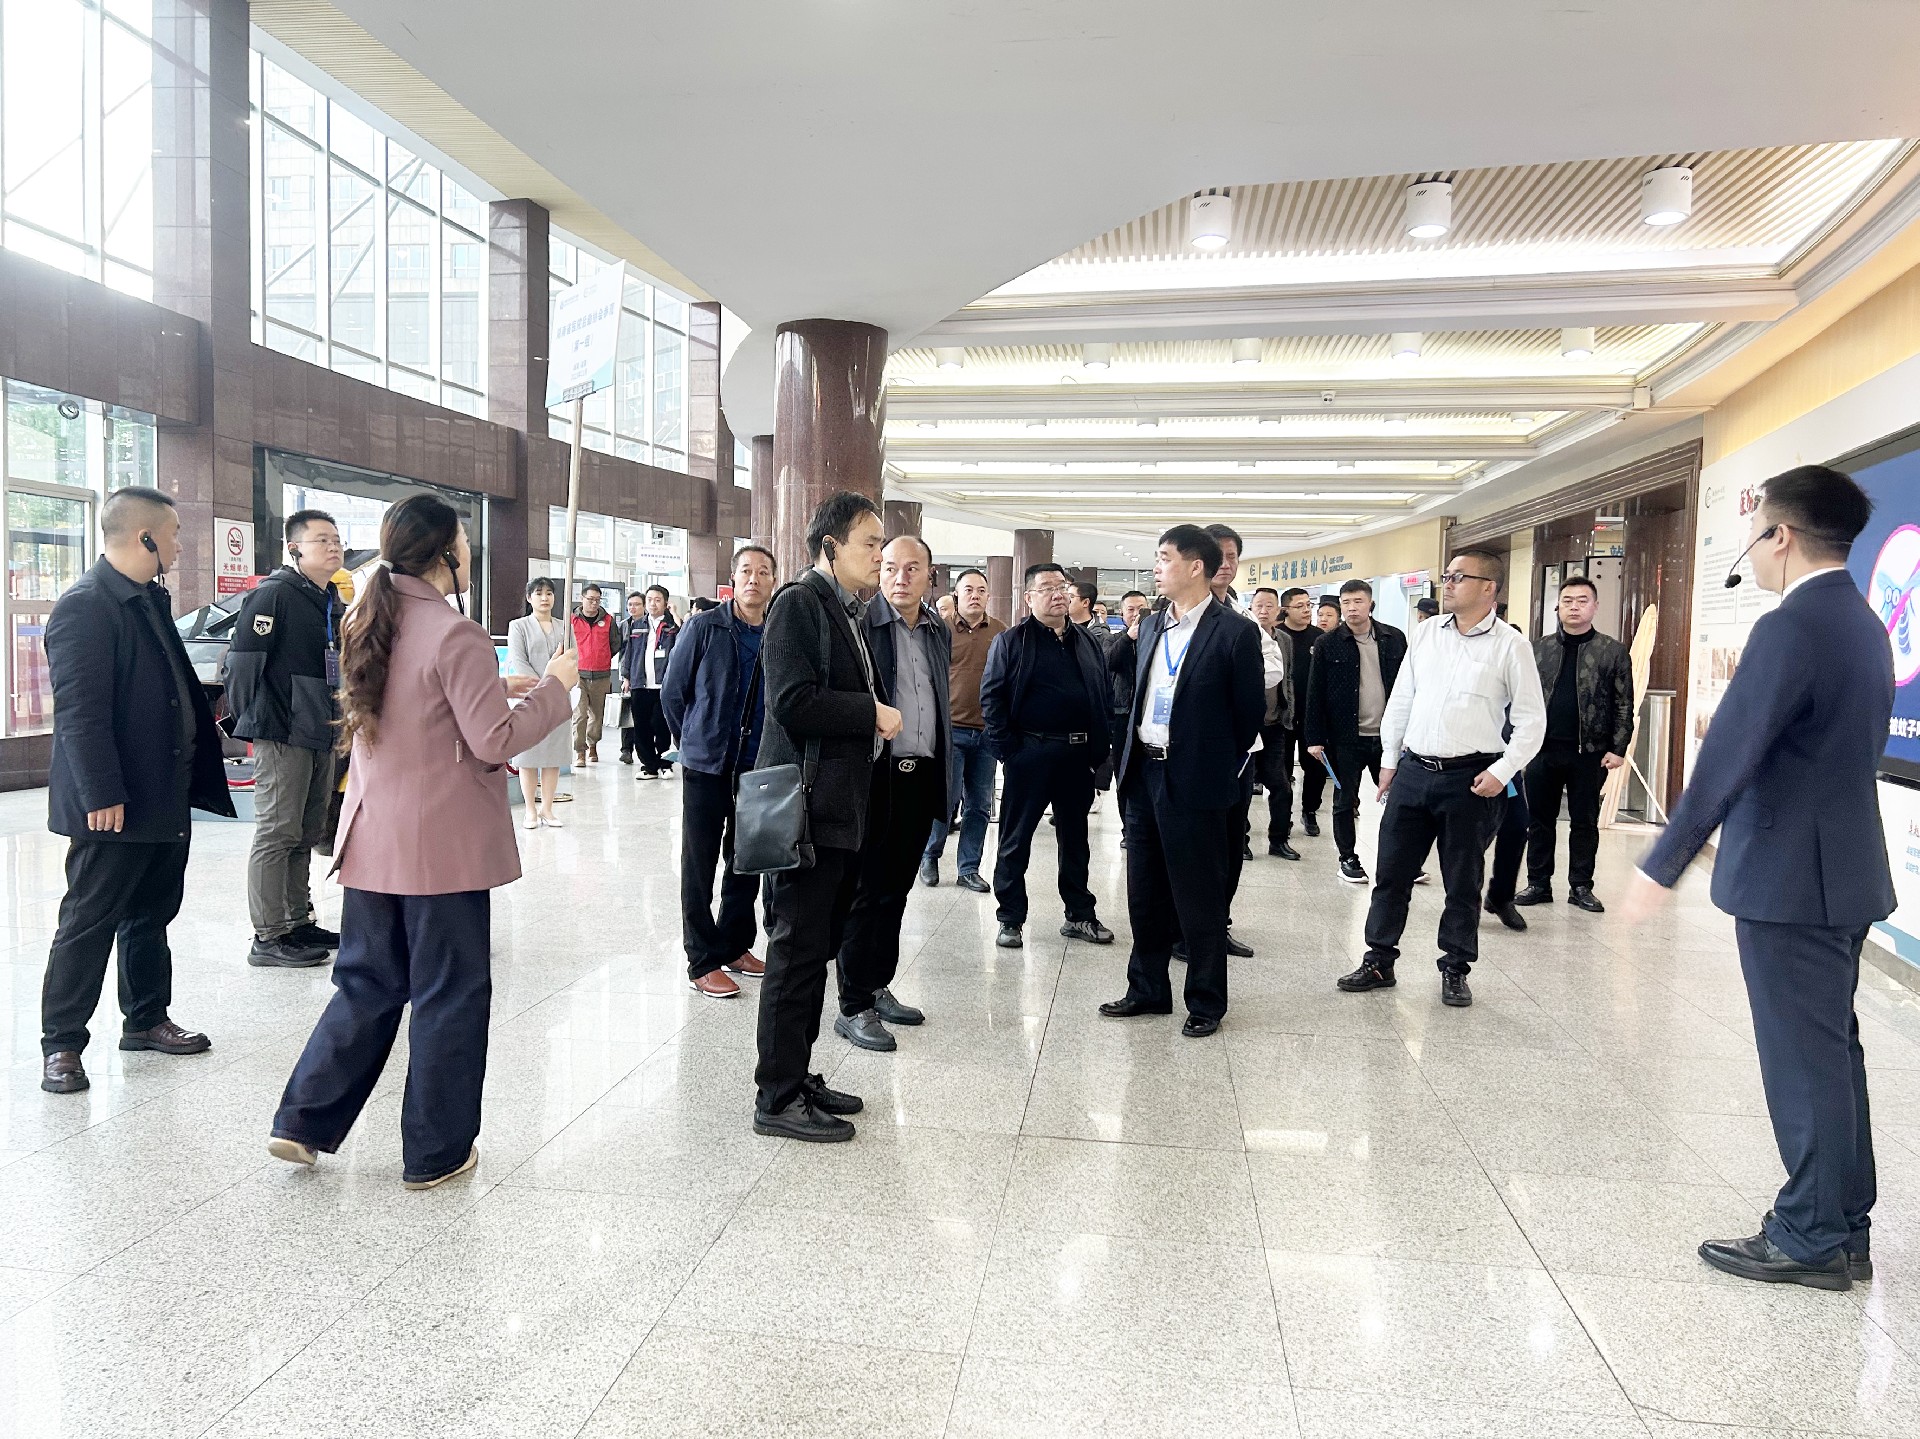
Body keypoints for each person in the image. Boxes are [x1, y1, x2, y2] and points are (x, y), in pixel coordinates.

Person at [1625, 465, 1890, 1291]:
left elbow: (1730, 753)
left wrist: (1662, 861)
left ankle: (1808, 1234)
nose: (1753, 552)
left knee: (1802, 1058)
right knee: (1832, 1051)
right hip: (1844, 870)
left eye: (1754, 536)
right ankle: (1843, 1222)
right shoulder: (1862, 620)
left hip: (1790, 880)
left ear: (1781, 536)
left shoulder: (1791, 626)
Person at [268, 494, 577, 1187]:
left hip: (373, 838)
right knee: (449, 993)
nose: (467, 549)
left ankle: (302, 1121)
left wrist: (499, 685)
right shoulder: (456, 632)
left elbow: (420, 709)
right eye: (461, 540)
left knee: (366, 985)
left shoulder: (364, 618)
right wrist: (554, 690)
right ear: (445, 554)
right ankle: (436, 1152)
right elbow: (492, 739)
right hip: (442, 850)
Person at [38, 487, 236, 1095]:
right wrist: (101, 794)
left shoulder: (148, 599)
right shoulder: (86, 607)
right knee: (88, 920)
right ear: (143, 537)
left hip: (161, 790)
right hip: (114, 802)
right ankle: (62, 1044)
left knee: (152, 913)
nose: (179, 544)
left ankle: (146, 1019)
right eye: (173, 533)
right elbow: (81, 714)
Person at [751, 492, 900, 1143]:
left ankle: (797, 1073)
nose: (879, 554)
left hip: (838, 810)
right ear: (830, 546)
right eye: (870, 542)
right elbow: (792, 701)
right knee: (795, 954)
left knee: (815, 953)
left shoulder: (845, 608)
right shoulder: (799, 603)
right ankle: (777, 1095)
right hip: (806, 813)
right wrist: (870, 712)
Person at [1336, 550, 1544, 1008]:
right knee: (1391, 873)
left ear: (1489, 587)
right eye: (1446, 576)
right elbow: (1402, 700)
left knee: (1462, 882)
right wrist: (1390, 760)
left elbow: (1532, 721)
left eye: (1458, 577)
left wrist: (1502, 772)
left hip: (1472, 779)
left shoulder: (1511, 645)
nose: (1447, 584)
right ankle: (1379, 959)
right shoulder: (1428, 633)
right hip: (1413, 771)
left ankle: (1455, 966)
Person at [1099, 525, 1263, 1038]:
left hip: (1195, 778)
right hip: (1143, 773)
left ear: (1196, 567)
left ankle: (1206, 1000)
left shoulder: (1234, 632)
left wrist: (1209, 762)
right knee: (1144, 891)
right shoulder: (1151, 625)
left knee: (1199, 896)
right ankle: (1147, 988)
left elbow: (1248, 716)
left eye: (1164, 558)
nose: (1156, 567)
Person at [835, 536, 951, 1050]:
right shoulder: (861, 626)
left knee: (897, 891)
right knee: (867, 892)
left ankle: (877, 984)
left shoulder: (937, 629)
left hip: (922, 775)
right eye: (889, 568)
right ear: (878, 572)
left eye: (912, 568)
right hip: (877, 778)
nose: (900, 578)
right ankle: (853, 1004)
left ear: (929, 575)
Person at [226, 507, 345, 969]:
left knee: (306, 831)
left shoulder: (328, 597)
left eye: (336, 539)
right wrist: (254, 721)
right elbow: (242, 665)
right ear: (294, 548)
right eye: (322, 540)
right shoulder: (274, 594)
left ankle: (297, 920)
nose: (333, 546)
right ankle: (269, 934)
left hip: (320, 728)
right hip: (282, 730)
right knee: (277, 831)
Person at [980, 562, 1116, 950]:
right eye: (1047, 588)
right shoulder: (1012, 641)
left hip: (1077, 756)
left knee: (1075, 841)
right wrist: (1010, 752)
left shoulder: (1085, 640)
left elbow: (1102, 695)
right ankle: (1010, 918)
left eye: (1062, 587)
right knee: (1015, 840)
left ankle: (1079, 914)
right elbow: (991, 699)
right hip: (1030, 753)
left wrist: (1099, 752)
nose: (1058, 594)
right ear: (1029, 597)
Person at [661, 545, 777, 999]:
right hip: (706, 765)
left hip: (756, 766)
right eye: (746, 571)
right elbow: (673, 693)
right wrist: (691, 739)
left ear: (773, 582)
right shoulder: (704, 626)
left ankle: (734, 945)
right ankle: (701, 959)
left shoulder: (777, 631)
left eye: (763, 572)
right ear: (733, 579)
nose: (754, 579)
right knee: (699, 863)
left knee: (746, 861)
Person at [1512, 576, 1636, 913]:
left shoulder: (1612, 651)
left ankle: (1581, 886)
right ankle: (1538, 883)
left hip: (1590, 752)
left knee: (1584, 822)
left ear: (1595, 607)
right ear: (1558, 607)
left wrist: (1618, 748)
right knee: (1539, 820)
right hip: (1542, 749)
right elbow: (1521, 699)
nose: (1574, 607)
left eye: (1582, 600)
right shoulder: (1538, 649)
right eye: (1567, 601)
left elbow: (1624, 704)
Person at [1206, 524, 1285, 955]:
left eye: (1233, 556)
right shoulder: (1174, 614)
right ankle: (1188, 927)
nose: (1225, 564)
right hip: (1195, 749)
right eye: (1218, 554)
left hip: (1240, 748)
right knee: (1198, 845)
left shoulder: (1244, 618)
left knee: (1232, 842)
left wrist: (1236, 672)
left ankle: (1219, 922)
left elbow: (1272, 669)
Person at [1304, 579, 1407, 884]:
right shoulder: (1328, 643)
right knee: (1344, 800)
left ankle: (1402, 860)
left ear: (1370, 604)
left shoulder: (1393, 638)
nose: (1351, 608)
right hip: (1345, 737)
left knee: (1398, 801)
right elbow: (1315, 692)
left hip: (1387, 738)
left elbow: (1408, 687)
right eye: (1346, 602)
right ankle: (1348, 858)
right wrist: (1314, 738)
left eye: (1358, 601)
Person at [921, 566, 1004, 893]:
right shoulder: (940, 629)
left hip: (986, 734)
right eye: (968, 589)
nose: (975, 595)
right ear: (957, 594)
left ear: (988, 595)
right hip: (950, 731)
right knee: (945, 801)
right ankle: (930, 855)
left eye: (981, 590)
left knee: (979, 805)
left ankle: (968, 868)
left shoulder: (999, 632)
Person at [507, 578, 572, 830]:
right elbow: (519, 662)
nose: (544, 598)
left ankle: (547, 809)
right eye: (538, 593)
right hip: (529, 698)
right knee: (528, 756)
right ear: (529, 598)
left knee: (553, 755)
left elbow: (571, 659)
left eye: (549, 593)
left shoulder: (564, 626)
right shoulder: (518, 626)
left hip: (558, 698)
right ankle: (530, 810)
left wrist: (557, 686)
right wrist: (545, 685)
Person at [1249, 587, 1299, 861]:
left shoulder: (1284, 640)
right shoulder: (1244, 635)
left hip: (1275, 724)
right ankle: (1240, 840)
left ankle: (1278, 840)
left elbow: (1287, 677)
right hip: (1248, 726)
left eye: (1269, 605)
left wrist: (1287, 710)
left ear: (1279, 610)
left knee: (1281, 786)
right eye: (1259, 605)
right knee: (1243, 788)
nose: (1264, 611)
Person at [1278, 587, 1325, 838]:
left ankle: (1310, 810)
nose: (1307, 610)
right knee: (1282, 770)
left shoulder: (1320, 638)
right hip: (1284, 714)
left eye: (1309, 605)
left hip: (1312, 714)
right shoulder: (1277, 636)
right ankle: (1283, 817)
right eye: (1300, 606)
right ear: (1285, 609)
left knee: (1315, 767)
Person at [622, 584, 678, 778]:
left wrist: (675, 616)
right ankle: (649, 766)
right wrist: (626, 676)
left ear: (665, 603)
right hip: (640, 682)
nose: (653, 604)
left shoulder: (671, 626)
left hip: (663, 684)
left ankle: (665, 764)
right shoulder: (637, 625)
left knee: (662, 726)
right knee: (641, 727)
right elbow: (628, 652)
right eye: (650, 600)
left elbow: (682, 644)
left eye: (657, 600)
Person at [570, 583, 618, 765]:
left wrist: (602, 657)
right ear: (582, 599)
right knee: (580, 714)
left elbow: (615, 644)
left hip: (601, 675)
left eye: (598, 600)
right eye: (590, 599)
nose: (594, 603)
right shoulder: (572, 620)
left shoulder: (609, 620)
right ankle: (580, 751)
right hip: (577, 675)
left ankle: (592, 744)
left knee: (597, 715)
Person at [616, 591, 647, 762]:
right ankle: (626, 749)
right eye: (630, 605)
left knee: (643, 715)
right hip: (627, 673)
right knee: (628, 712)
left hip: (646, 674)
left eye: (637, 604)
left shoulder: (649, 624)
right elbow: (620, 650)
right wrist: (625, 675)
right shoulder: (623, 626)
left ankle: (646, 751)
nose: (632, 608)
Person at [1069, 580, 1110, 653]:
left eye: (1071, 596)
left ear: (1085, 602)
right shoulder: (1060, 627)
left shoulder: (1101, 634)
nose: (1065, 600)